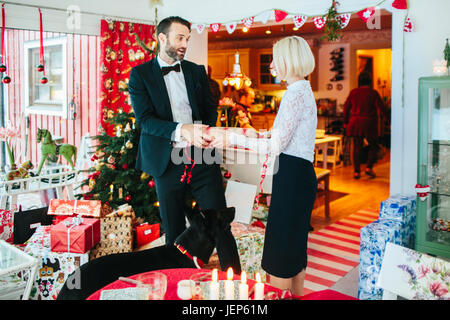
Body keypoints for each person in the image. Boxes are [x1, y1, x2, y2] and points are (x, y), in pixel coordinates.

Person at [128, 16, 241, 273]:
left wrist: (206, 131)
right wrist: (182, 130)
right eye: (180, 37)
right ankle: (177, 284)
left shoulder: (195, 70)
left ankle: (236, 285)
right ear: (162, 38)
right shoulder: (140, 75)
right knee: (174, 231)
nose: (185, 43)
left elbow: (210, 108)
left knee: (220, 225)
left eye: (188, 39)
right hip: (167, 162)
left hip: (202, 158)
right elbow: (145, 121)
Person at [210, 36, 318, 296]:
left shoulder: (294, 95)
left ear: (287, 61)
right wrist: (249, 135)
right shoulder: (302, 90)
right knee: (294, 249)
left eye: (275, 58)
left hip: (292, 176)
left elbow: (275, 145)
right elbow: (281, 137)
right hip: (299, 174)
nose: (272, 64)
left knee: (281, 253)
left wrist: (230, 137)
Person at [343, 72, 389, 179]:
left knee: (357, 147)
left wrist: (345, 122)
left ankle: (357, 172)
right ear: (370, 81)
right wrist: (389, 121)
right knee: (374, 146)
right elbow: (382, 108)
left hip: (355, 122)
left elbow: (346, 107)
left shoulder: (353, 92)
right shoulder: (373, 93)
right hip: (369, 123)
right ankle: (369, 167)